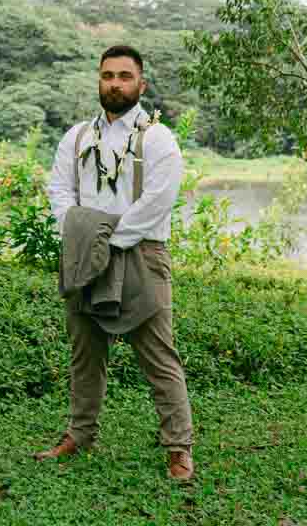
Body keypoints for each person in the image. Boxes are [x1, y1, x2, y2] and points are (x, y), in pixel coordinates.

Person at [34, 44, 195, 481]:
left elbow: (157, 202)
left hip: (140, 254)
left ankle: (178, 448)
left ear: (141, 84)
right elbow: (59, 192)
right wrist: (82, 237)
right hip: (85, 251)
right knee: (84, 352)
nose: (115, 83)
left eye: (125, 76)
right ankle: (79, 435)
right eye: (108, 75)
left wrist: (107, 239)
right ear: (98, 80)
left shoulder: (158, 138)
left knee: (159, 355)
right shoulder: (78, 136)